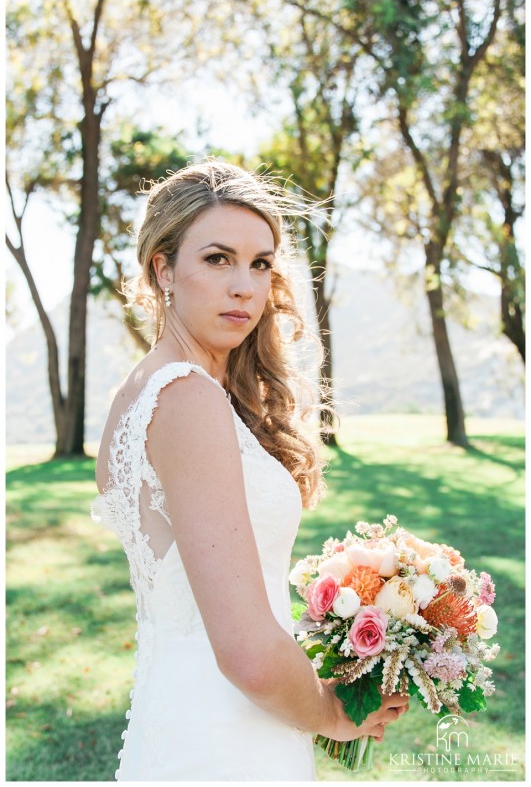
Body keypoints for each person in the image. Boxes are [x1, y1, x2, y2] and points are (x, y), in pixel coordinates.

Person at [92, 160, 409, 781]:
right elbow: (247, 654)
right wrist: (330, 713)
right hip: (225, 742)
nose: (245, 285)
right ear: (163, 269)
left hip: (184, 718)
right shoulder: (185, 397)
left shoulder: (140, 393)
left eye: (261, 263)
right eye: (217, 258)